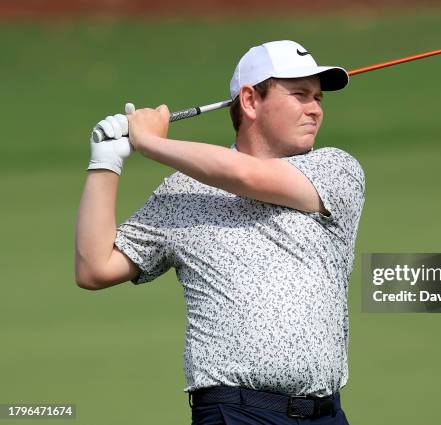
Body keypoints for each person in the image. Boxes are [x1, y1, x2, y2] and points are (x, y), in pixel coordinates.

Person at [75, 40, 365, 425]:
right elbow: (95, 268)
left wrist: (150, 142)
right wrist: (105, 162)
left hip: (325, 414)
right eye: (299, 95)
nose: (314, 108)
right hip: (234, 412)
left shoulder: (336, 170)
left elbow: (246, 175)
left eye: (318, 98)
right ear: (249, 100)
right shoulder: (184, 191)